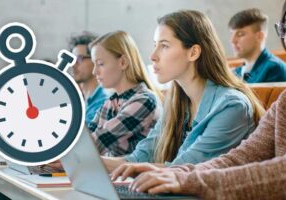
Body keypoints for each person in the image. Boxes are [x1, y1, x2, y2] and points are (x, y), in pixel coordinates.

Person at [125, 1, 286, 199]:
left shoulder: (232, 102)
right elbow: (239, 158)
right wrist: (178, 173)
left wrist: (190, 180)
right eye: (285, 27)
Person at [105, 10, 265, 173]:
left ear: (193, 52)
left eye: (164, 46)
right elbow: (138, 158)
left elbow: (187, 170)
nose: (153, 56)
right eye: (155, 45)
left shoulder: (232, 106)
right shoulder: (175, 103)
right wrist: (91, 162)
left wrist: (134, 169)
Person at [88, 31, 162, 157]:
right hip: (114, 175)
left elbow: (98, 142)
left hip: (136, 176)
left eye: (100, 64)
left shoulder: (145, 101)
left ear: (123, 62)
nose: (94, 71)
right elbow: (87, 136)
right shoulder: (110, 102)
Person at [230, 8, 286, 83]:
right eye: (231, 34)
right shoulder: (237, 72)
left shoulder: (274, 70)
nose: (232, 41)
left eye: (240, 34)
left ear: (259, 36)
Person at [69, 32, 109, 127]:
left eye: (79, 59)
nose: (73, 65)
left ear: (96, 60)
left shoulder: (104, 102)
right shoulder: (82, 102)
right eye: (72, 59)